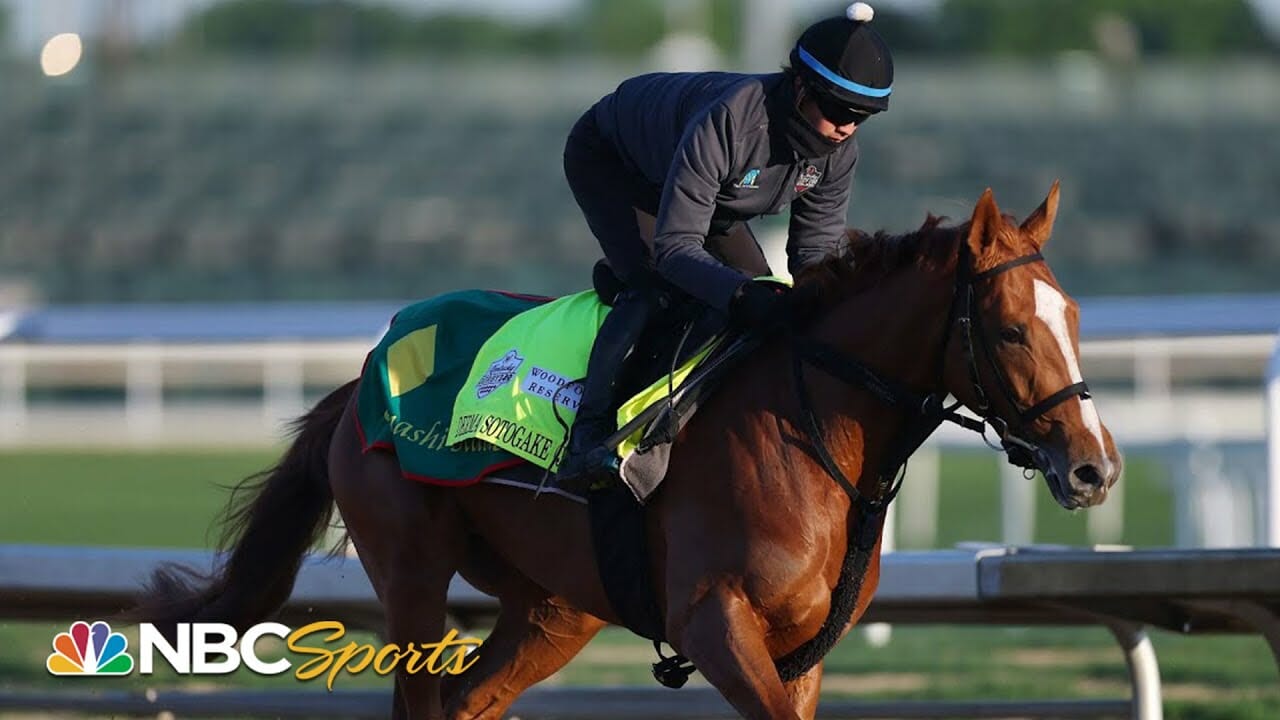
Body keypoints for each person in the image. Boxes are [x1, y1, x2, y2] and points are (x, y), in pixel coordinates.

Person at [555, 2, 894, 488]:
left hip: (713, 197)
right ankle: (587, 437)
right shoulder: (732, 119)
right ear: (801, 87)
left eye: (862, 116)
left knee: (763, 299)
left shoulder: (840, 153)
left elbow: (814, 256)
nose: (847, 127)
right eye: (839, 109)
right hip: (617, 165)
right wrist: (738, 295)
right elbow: (676, 247)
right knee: (659, 290)